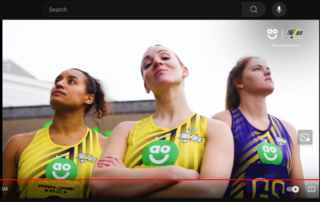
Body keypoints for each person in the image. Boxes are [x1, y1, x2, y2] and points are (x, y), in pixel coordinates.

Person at [89, 44, 234, 198]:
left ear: (184, 71)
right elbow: (99, 184)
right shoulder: (125, 130)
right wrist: (172, 173)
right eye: (148, 64)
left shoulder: (215, 129)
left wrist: (126, 179)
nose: (157, 63)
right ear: (146, 85)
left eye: (165, 57)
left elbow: (210, 191)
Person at [2, 68, 109, 198]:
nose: (59, 84)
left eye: (71, 81)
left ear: (89, 98)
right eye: (57, 81)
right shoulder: (18, 144)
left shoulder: (106, 147)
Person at [212, 56, 308, 198]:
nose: (267, 73)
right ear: (239, 82)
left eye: (268, 69)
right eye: (257, 69)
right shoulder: (223, 121)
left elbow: (299, 192)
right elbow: (211, 185)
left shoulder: (288, 129)